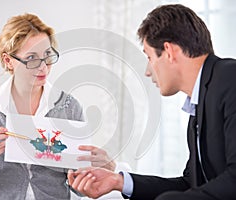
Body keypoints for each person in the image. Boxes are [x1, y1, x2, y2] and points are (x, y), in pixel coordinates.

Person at [67, 4, 236, 200]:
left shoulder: (230, 79)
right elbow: (190, 185)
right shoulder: (199, 105)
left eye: (149, 57)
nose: (148, 71)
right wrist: (119, 182)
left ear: (169, 51)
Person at [0, 13, 117, 200]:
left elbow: (80, 190)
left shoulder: (69, 107)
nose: (43, 67)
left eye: (47, 56)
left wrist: (95, 172)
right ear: (8, 61)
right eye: (32, 58)